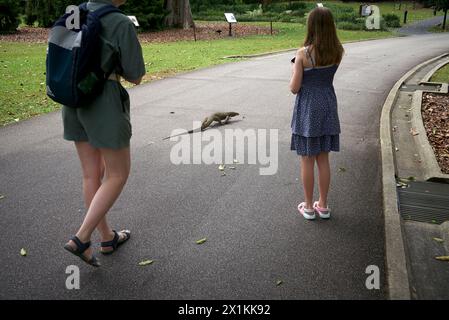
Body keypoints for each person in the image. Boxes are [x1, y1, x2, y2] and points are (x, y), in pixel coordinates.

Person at [63, 0, 146, 266]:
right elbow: (136, 75)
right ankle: (81, 238)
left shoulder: (74, 12)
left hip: (73, 99)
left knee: (91, 174)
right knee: (117, 174)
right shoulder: (120, 21)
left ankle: (108, 237)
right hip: (103, 103)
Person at [289, 7, 344, 221]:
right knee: (323, 159)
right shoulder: (338, 51)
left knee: (307, 159)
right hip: (328, 105)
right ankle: (324, 205)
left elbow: (294, 88)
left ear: (311, 26)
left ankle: (309, 207)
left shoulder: (303, 53)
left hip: (308, 109)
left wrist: (295, 68)